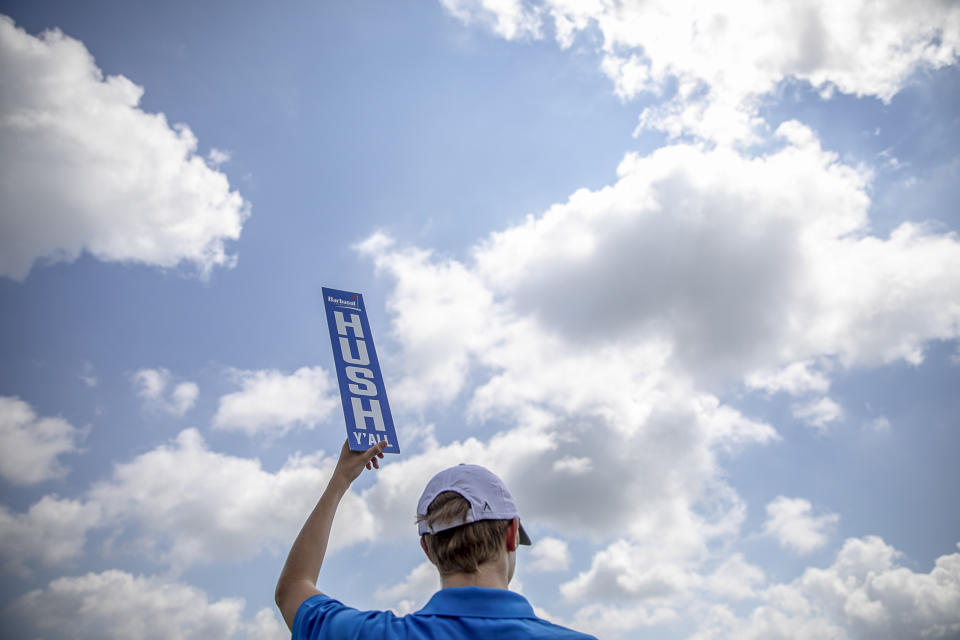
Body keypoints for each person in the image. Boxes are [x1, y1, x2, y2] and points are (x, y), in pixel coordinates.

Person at [275, 439, 596, 639]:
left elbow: (292, 589)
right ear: (511, 534)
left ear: (427, 548)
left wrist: (341, 479)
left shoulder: (373, 635)